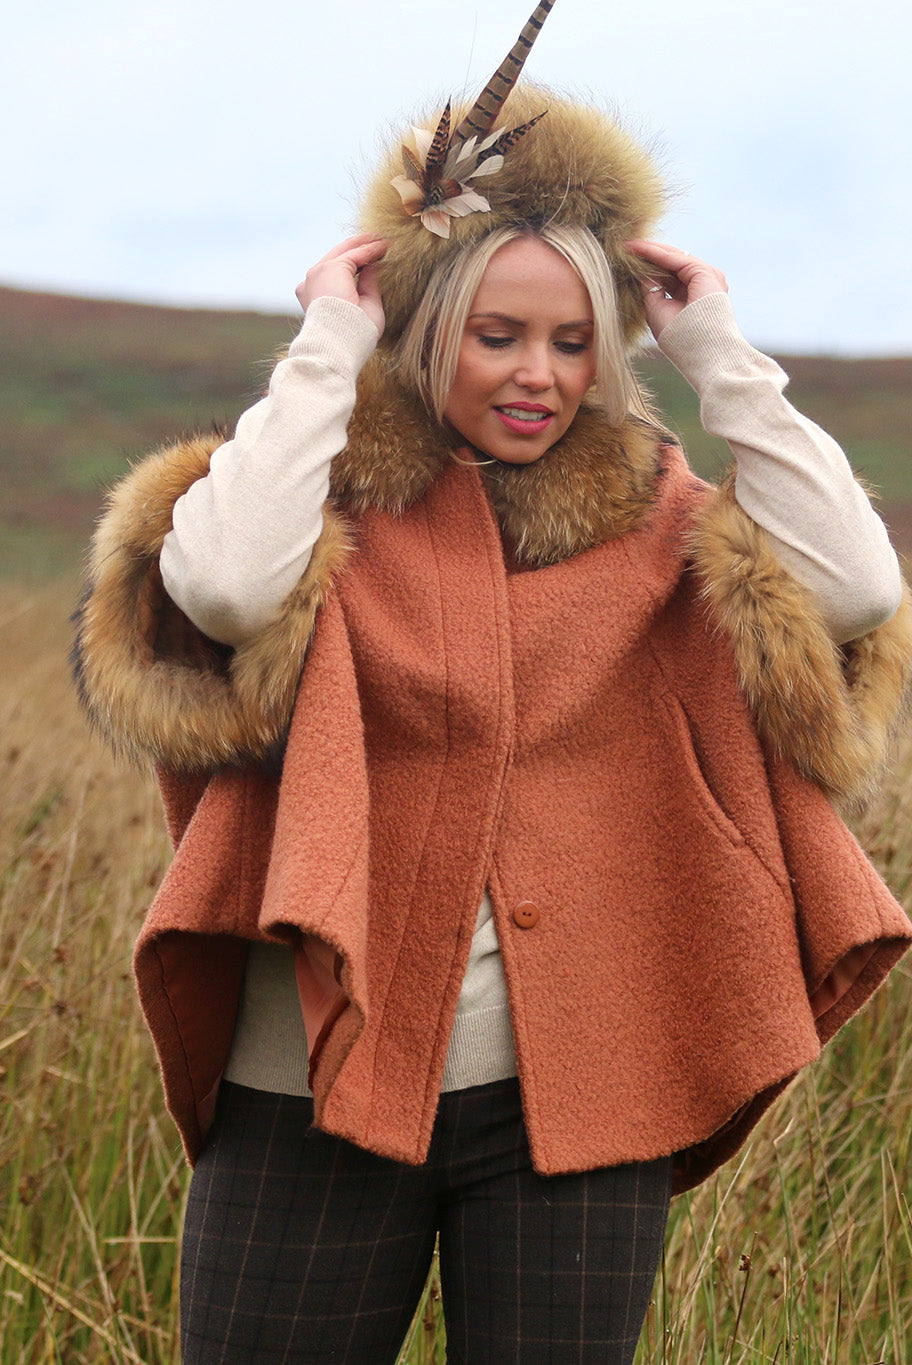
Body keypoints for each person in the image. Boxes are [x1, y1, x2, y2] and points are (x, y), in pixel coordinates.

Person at [72, 3, 912, 1361]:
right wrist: (332, 343)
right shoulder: (319, 500)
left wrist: (723, 363)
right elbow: (218, 590)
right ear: (431, 326)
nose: (538, 375)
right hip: (312, 1083)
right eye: (499, 334)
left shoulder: (653, 518)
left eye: (574, 341)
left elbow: (862, 591)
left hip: (580, 1103)